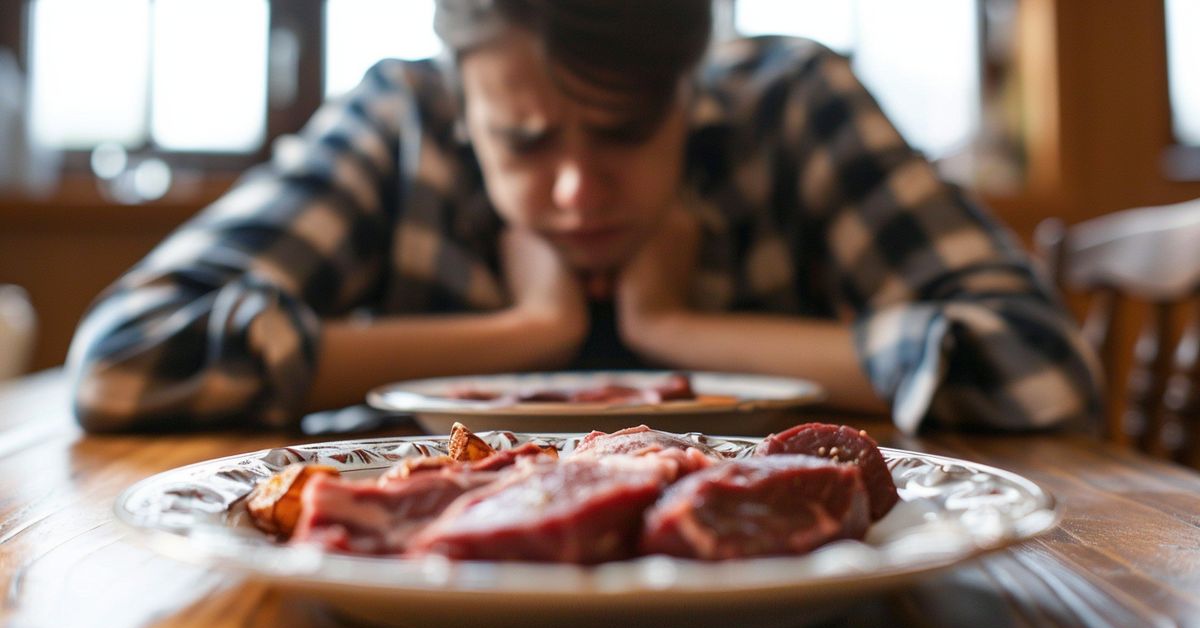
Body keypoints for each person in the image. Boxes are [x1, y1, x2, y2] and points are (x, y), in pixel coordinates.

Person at [66, 0, 1101, 434]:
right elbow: (121, 362)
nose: (574, 190)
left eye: (623, 131)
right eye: (524, 140)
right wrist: (519, 337)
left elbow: (1044, 370)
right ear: (463, 103)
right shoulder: (400, 118)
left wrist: (687, 338)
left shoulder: (792, 101)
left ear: (690, 93)